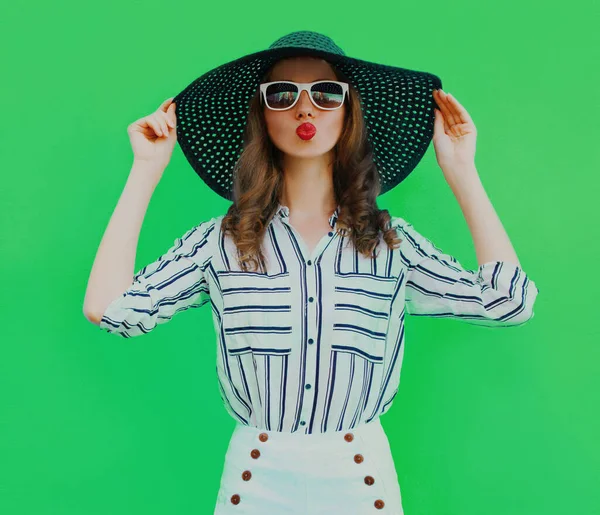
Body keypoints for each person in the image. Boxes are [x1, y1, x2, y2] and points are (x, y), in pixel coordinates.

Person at [83, 31, 539, 515]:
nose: (306, 109)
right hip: (254, 479)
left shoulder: (391, 244)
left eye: (326, 93)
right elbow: (108, 307)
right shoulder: (220, 242)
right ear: (262, 115)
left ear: (348, 113)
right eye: (283, 94)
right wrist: (146, 169)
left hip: (361, 480)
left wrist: (461, 170)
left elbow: (508, 301)